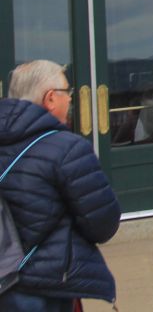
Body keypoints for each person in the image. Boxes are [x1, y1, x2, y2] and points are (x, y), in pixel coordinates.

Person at [0, 60, 121, 312]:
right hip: (47, 288)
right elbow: (102, 224)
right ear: (51, 98)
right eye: (68, 92)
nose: (71, 100)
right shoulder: (68, 149)